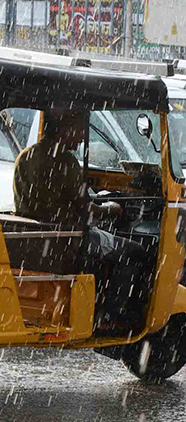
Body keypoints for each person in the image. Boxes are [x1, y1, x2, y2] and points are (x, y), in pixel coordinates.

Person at [13, 110, 148, 325]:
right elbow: (89, 211)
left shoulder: (25, 156)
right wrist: (112, 208)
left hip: (34, 241)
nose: (83, 137)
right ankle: (110, 318)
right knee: (134, 251)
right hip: (67, 241)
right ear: (65, 128)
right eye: (80, 130)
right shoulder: (65, 162)